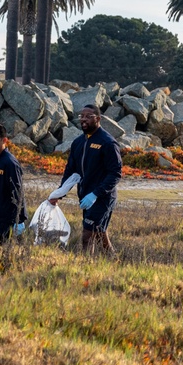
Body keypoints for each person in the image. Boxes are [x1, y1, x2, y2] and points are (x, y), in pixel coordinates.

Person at [50, 104, 122, 254]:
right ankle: (114, 259)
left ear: (98, 119)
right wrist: (59, 193)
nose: (83, 119)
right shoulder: (78, 142)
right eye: (81, 116)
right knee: (99, 233)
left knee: (87, 235)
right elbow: (70, 170)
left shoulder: (107, 143)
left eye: (88, 117)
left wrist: (96, 194)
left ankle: (85, 267)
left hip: (102, 197)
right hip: (85, 196)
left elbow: (115, 173)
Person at [0, 123, 27, 242]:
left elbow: (18, 192)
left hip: (7, 221)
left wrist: (20, 219)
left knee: (4, 254)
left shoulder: (9, 163)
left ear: (4, 140)